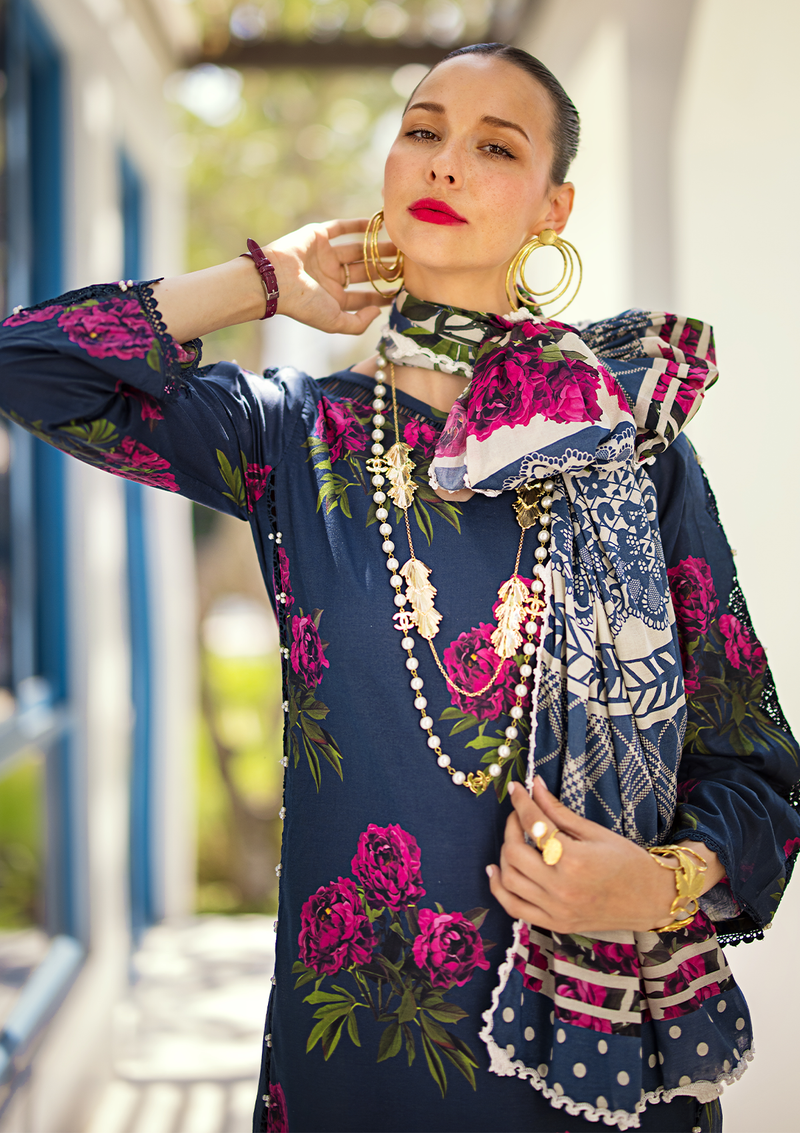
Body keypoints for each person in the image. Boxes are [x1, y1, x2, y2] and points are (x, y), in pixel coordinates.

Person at [1, 41, 798, 1133]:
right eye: (422, 131)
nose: (445, 163)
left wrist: (657, 885)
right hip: (359, 1063)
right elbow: (31, 365)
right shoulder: (294, 436)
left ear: (552, 207)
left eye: (494, 147)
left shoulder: (628, 446)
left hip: (592, 1061)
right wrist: (263, 280)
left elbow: (756, 771)